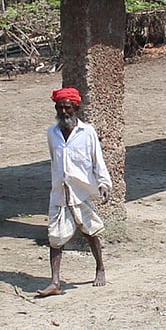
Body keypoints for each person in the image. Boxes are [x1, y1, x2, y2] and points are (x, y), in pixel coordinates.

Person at [36, 86, 111, 297]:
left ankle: (100, 268)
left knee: (90, 232)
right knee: (55, 237)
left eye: (67, 107)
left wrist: (104, 184)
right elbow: (54, 160)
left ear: (75, 107)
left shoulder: (87, 132)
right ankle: (55, 282)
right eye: (59, 108)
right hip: (59, 192)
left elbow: (98, 161)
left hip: (82, 192)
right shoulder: (52, 133)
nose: (63, 112)